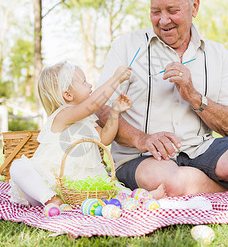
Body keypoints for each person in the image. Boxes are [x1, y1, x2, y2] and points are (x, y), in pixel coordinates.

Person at [96, 0, 228, 197]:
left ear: (195, 7)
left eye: (172, 10)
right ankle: (217, 189)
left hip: (202, 149)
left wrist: (194, 97)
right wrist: (142, 139)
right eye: (155, 11)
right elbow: (100, 108)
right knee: (168, 183)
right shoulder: (126, 46)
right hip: (141, 158)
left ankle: (194, 185)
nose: (163, 20)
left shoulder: (218, 54)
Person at [9, 61, 135, 207]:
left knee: (117, 191)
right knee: (18, 166)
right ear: (68, 95)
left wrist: (114, 112)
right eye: (84, 82)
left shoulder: (88, 119)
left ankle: (139, 198)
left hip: (80, 187)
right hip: (51, 183)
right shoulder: (63, 115)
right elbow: (93, 104)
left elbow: (105, 139)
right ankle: (51, 199)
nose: (90, 85)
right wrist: (116, 79)